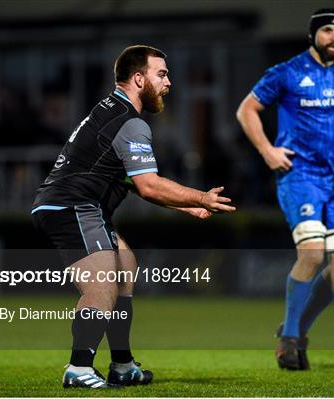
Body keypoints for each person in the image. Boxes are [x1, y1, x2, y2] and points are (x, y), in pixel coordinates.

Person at [32, 45, 236, 389]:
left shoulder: (112, 111)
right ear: (139, 79)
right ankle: (78, 368)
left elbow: (132, 181)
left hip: (72, 204)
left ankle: (122, 366)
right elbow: (149, 184)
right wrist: (200, 196)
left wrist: (184, 205)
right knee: (102, 285)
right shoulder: (130, 122)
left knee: (125, 267)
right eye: (162, 74)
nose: (169, 82)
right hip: (73, 206)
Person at [236, 8, 334, 370]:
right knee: (313, 254)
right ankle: (289, 341)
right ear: (313, 34)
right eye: (327, 31)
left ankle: (296, 328)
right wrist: (267, 151)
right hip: (299, 177)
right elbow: (247, 110)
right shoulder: (287, 72)